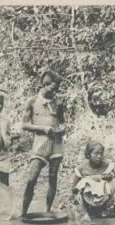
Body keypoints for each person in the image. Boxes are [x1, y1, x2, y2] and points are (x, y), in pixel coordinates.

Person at [21, 69, 66, 217]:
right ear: (44, 84)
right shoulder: (32, 101)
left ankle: (47, 212)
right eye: (51, 88)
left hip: (56, 143)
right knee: (31, 179)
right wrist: (43, 128)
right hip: (40, 144)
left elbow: (62, 122)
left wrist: (62, 129)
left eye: (56, 89)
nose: (53, 91)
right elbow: (25, 125)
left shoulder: (58, 102)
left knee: (52, 178)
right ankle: (23, 213)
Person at [71, 141, 115, 219]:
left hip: (104, 197)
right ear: (88, 155)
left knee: (112, 182)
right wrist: (86, 182)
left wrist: (102, 178)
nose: (99, 156)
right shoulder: (81, 168)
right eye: (96, 154)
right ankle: (86, 212)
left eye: (101, 154)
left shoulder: (107, 165)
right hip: (88, 198)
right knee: (85, 182)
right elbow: (73, 189)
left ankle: (104, 209)